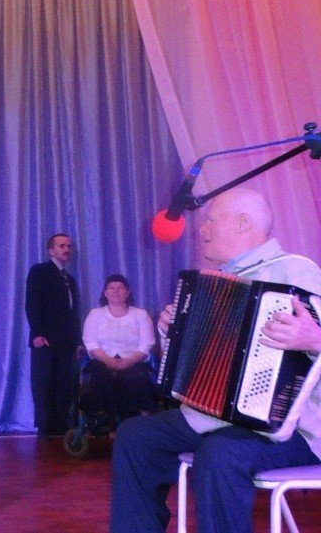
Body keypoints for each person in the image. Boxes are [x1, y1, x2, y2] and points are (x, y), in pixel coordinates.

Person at [110, 187, 321, 533]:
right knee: (136, 436)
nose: (201, 229)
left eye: (210, 220)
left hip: (295, 430)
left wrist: (314, 340)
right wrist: (173, 332)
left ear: (242, 223)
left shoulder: (297, 273)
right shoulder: (216, 281)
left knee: (220, 455)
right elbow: (193, 366)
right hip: (214, 421)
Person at [25, 233, 82, 437]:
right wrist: (37, 333)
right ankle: (44, 429)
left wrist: (77, 341)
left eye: (68, 246)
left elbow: (73, 313)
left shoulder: (70, 280)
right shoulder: (40, 271)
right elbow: (32, 304)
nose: (66, 249)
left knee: (64, 386)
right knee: (43, 385)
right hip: (45, 341)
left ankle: (60, 429)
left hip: (67, 344)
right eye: (61, 246)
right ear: (51, 250)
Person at [81, 274, 157, 421]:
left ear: (127, 292)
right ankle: (106, 422)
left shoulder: (140, 315)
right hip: (102, 361)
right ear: (105, 293)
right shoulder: (95, 314)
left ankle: (143, 423)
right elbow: (91, 343)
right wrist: (109, 361)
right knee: (101, 377)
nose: (116, 292)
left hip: (133, 361)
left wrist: (130, 361)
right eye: (111, 288)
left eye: (120, 288)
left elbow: (146, 344)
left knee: (137, 378)